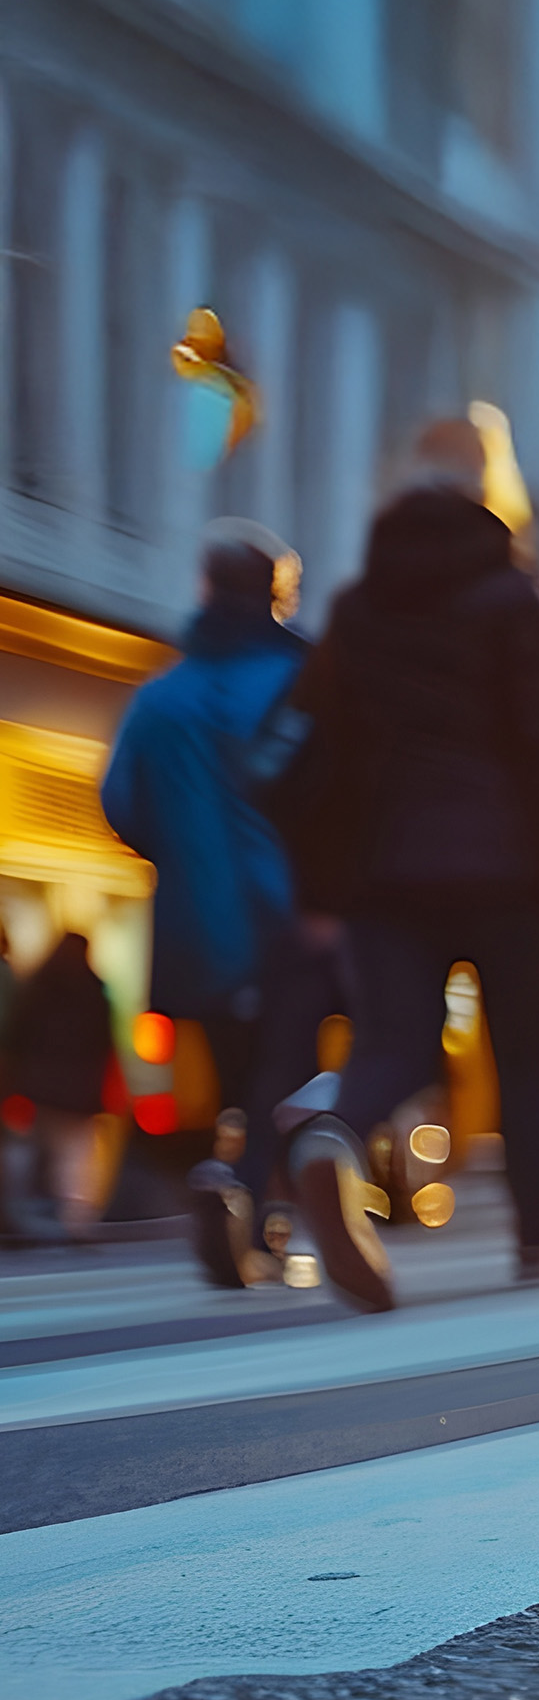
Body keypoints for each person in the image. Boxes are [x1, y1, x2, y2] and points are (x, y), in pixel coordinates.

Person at [272, 422, 539, 1309]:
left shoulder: (355, 608)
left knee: (396, 1045)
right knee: (528, 1055)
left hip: (388, 871)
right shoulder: (511, 596)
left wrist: (322, 886)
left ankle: (335, 1137)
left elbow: (325, 756)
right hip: (504, 865)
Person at [99, 521, 333, 1286]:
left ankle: (239, 1200)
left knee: (241, 1079)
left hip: (195, 925)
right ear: (277, 593)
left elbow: (122, 802)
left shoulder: (162, 696)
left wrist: (183, 854)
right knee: (288, 1069)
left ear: (204, 589)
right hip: (288, 915)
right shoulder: (301, 680)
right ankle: (246, 1204)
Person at [3, 933, 118, 1242]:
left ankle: (23, 1213)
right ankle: (75, 1218)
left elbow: (18, 1036)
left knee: (33, 1149)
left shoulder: (38, 986)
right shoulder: (93, 989)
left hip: (38, 1088)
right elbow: (105, 1044)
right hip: (80, 1092)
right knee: (74, 1156)